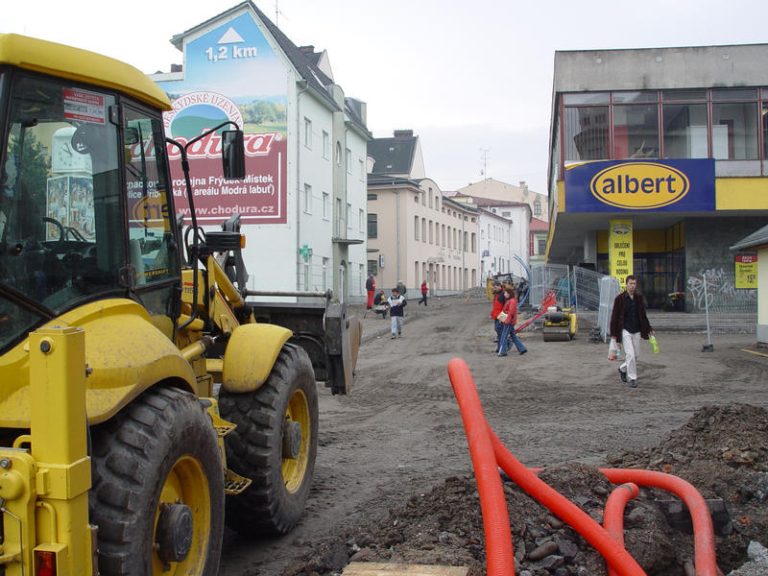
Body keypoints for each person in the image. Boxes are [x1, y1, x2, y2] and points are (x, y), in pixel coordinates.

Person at [610, 275, 653, 388]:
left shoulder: (639, 298)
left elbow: (643, 315)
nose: (633, 286)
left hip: (637, 330)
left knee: (636, 355)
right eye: (630, 283)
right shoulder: (619, 299)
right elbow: (614, 317)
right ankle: (632, 378)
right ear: (626, 284)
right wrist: (614, 334)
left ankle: (622, 368)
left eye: (634, 284)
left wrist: (649, 329)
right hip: (625, 330)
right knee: (630, 354)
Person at [497, 287, 527, 356]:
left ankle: (503, 352)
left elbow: (511, 312)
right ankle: (522, 349)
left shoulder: (511, 301)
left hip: (509, 322)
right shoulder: (510, 300)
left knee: (504, 336)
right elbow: (508, 311)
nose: (504, 294)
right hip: (509, 321)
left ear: (509, 294)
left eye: (505, 293)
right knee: (513, 336)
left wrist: (506, 321)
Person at [489, 282, 506, 350]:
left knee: (500, 331)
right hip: (497, 316)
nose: (494, 288)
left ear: (499, 286)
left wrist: (502, 317)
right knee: (498, 331)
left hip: (501, 316)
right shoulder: (496, 294)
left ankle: (503, 346)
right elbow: (495, 306)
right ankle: (500, 347)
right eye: (494, 287)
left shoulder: (502, 294)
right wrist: (492, 314)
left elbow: (505, 307)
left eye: (495, 287)